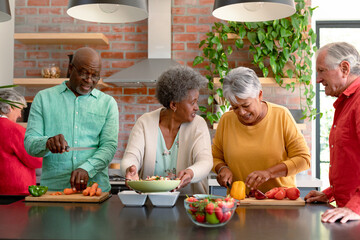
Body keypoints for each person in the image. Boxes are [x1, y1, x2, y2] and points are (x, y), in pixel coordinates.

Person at [24, 47, 119, 193]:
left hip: (95, 191)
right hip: (54, 192)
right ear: (70, 69)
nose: (89, 80)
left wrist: (87, 169)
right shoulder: (43, 98)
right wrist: (47, 142)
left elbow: (109, 147)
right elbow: (30, 143)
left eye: (95, 76)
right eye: (84, 73)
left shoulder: (107, 103)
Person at [212, 67, 311, 194]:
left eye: (246, 105)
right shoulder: (226, 120)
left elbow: (303, 159)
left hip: (280, 201)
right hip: (241, 201)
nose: (241, 112)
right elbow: (215, 157)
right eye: (235, 107)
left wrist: (269, 173)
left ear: (259, 95)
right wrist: (222, 169)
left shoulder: (281, 115)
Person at [120, 65, 213, 195]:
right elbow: (131, 157)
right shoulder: (144, 122)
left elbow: (205, 161)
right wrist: (129, 170)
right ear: (173, 104)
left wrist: (191, 173)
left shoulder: (198, 124)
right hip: (149, 202)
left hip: (187, 202)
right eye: (192, 102)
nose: (197, 107)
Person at [304, 42, 360, 223]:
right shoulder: (346, 102)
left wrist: (356, 207)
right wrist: (330, 193)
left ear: (344, 68)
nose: (318, 79)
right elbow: (350, 160)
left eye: (322, 71)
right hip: (347, 213)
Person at [0, 89, 42, 195]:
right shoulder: (14, 129)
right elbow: (34, 159)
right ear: (10, 107)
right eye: (19, 109)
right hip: (15, 190)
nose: (19, 115)